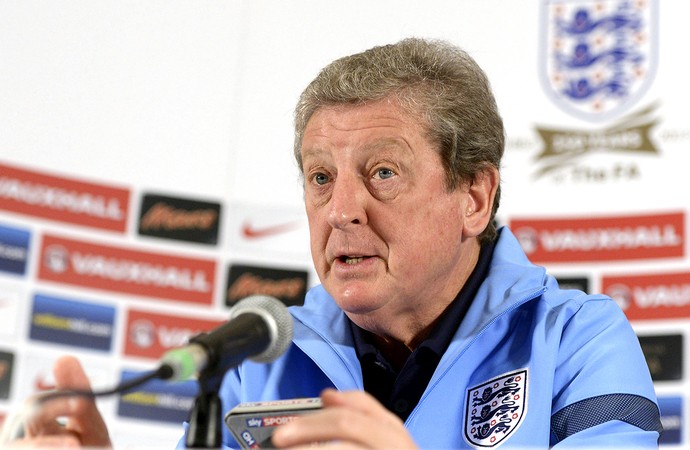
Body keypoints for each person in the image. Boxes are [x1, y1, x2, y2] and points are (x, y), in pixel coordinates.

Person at [9, 37, 661, 449]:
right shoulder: (258, 360)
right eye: (321, 177)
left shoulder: (581, 339)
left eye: (382, 172)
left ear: (473, 197)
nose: (341, 210)